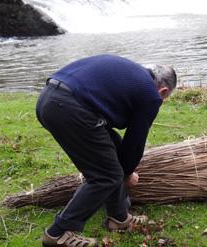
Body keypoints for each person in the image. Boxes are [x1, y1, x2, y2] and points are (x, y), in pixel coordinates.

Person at [36, 54, 177, 247]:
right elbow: (135, 142)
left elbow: (122, 145)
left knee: (112, 153)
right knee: (105, 176)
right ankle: (58, 234)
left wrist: (124, 166)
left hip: (48, 99)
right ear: (163, 91)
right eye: (164, 98)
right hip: (69, 108)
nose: (160, 102)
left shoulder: (133, 73)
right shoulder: (150, 95)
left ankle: (119, 218)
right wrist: (127, 173)